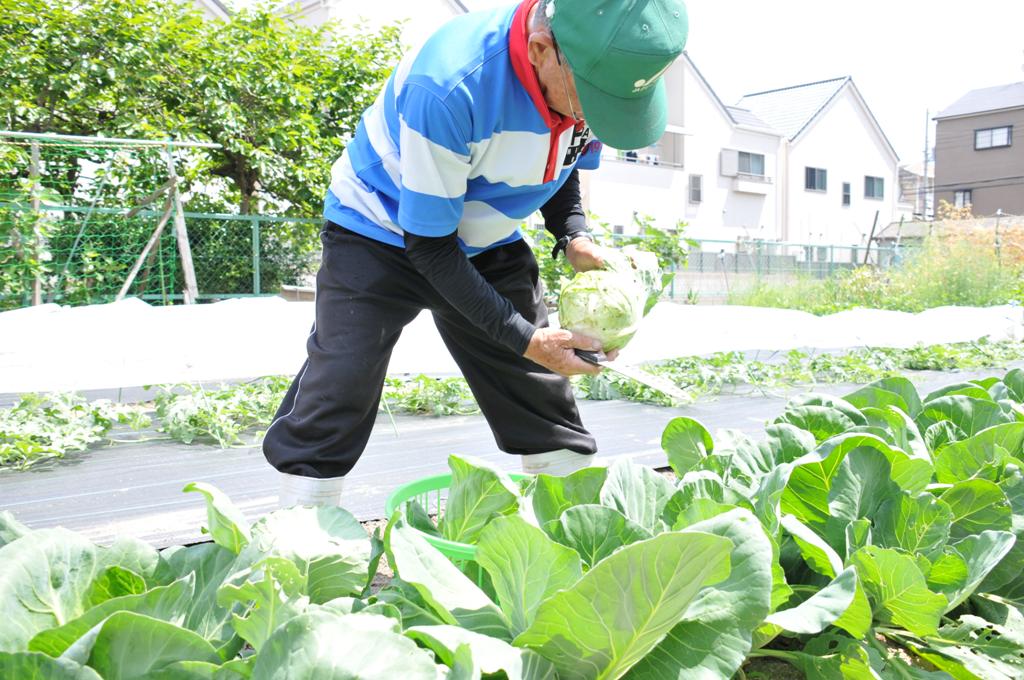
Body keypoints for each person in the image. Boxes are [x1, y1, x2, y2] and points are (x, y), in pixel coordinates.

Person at [263, 0, 689, 507]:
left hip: (486, 232)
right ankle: (303, 526)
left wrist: (573, 235)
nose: (589, 115)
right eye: (591, 103)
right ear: (540, 50)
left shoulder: (586, 73)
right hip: (379, 228)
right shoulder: (449, 85)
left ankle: (567, 515)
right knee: (342, 378)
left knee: (539, 386)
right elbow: (432, 248)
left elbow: (563, 158)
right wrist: (524, 338)